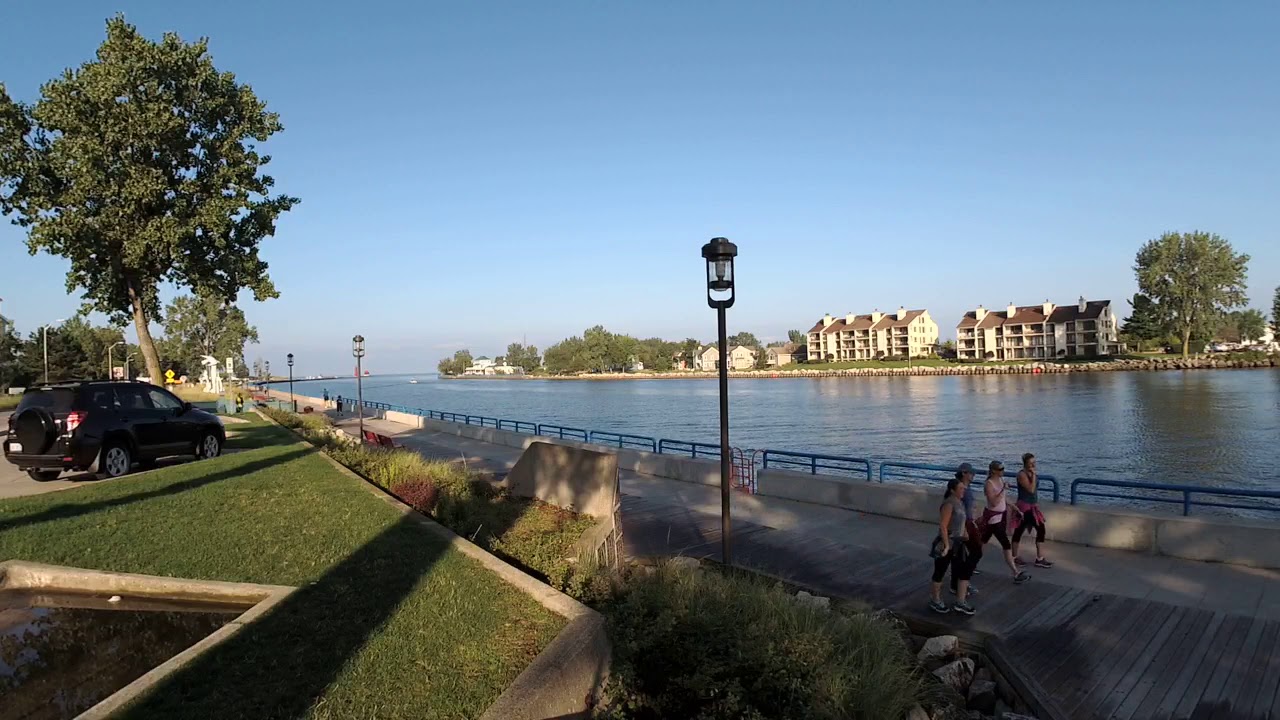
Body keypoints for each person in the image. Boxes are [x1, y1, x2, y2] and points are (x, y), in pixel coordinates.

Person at [929, 474, 975, 616]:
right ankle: (935, 600)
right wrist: (946, 545)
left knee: (962, 571)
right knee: (940, 572)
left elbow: (961, 521)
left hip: (959, 542)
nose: (963, 490)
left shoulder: (959, 502)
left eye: (963, 488)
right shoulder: (949, 503)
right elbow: (943, 525)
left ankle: (960, 601)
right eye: (960, 488)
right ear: (952, 490)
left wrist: (965, 533)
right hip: (947, 542)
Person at [980, 460, 1032, 584]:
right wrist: (1003, 489)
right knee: (1006, 544)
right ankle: (1016, 573)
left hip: (1000, 518)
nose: (1003, 471)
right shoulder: (989, 484)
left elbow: (1003, 499)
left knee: (982, 542)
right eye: (1000, 469)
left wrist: (1016, 508)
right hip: (993, 520)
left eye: (1003, 469)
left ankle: (970, 563)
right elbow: (993, 502)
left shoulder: (1001, 481)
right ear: (993, 471)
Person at [1013, 453, 1053, 568]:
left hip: (1033, 506)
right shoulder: (1022, 474)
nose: (1034, 465)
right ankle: (1017, 557)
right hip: (1024, 507)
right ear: (1025, 464)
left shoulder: (1031, 473)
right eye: (1031, 463)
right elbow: (1031, 489)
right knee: (1023, 530)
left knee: (1038, 529)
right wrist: (1034, 475)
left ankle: (1038, 557)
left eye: (1034, 462)